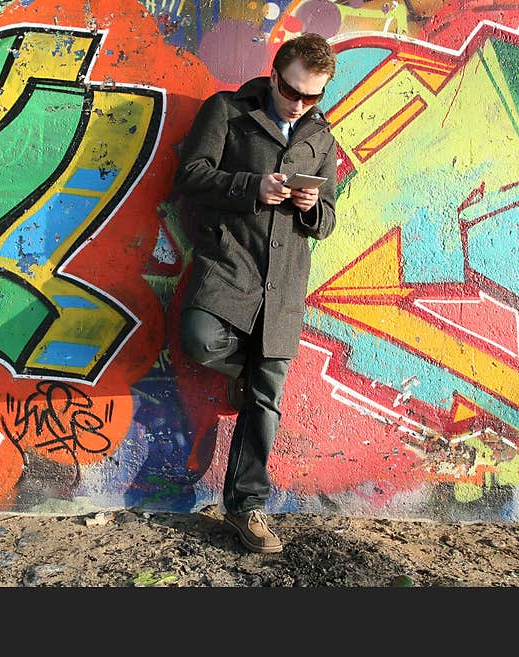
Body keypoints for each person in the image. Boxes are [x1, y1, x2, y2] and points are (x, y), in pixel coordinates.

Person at [174, 33, 338, 553]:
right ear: (274, 77)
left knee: (267, 399)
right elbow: (191, 176)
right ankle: (251, 376)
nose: (302, 105)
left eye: (314, 96)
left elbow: (328, 219)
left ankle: (247, 508)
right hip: (230, 267)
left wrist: (311, 204)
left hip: (285, 284)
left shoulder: (321, 137)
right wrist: (251, 187)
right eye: (293, 92)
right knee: (199, 339)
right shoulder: (227, 110)